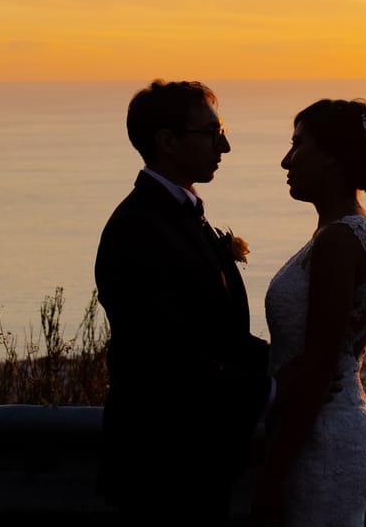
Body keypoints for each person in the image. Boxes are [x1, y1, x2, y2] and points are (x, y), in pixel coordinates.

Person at [95, 79, 270, 524]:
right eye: (212, 133)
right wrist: (272, 386)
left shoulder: (181, 218)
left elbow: (220, 335)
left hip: (195, 463)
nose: (225, 146)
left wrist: (292, 363)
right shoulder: (137, 227)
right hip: (165, 465)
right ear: (168, 141)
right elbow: (172, 354)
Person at [258, 98, 366, 527]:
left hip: (322, 442)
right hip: (326, 431)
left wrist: (273, 475)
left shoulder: (338, 240)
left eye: (298, 146)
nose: (286, 160)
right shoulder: (343, 229)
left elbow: (318, 366)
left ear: (332, 156)